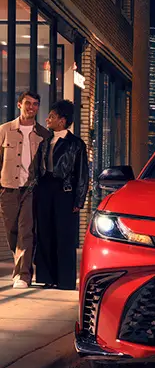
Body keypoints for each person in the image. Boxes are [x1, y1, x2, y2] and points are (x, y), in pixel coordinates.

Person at [34, 100, 90, 290]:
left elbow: (83, 174)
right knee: (45, 233)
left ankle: (65, 281)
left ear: (62, 120)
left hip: (65, 192)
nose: (47, 119)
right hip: (45, 190)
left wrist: (79, 200)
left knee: (64, 237)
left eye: (52, 116)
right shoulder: (45, 141)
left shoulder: (76, 144)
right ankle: (47, 277)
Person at [0, 91, 52, 289]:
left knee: (26, 231)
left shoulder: (43, 134)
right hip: (8, 189)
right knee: (11, 231)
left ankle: (23, 274)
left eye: (36, 104)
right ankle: (20, 264)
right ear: (19, 104)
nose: (32, 107)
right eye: (28, 103)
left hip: (31, 190)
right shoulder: (4, 130)